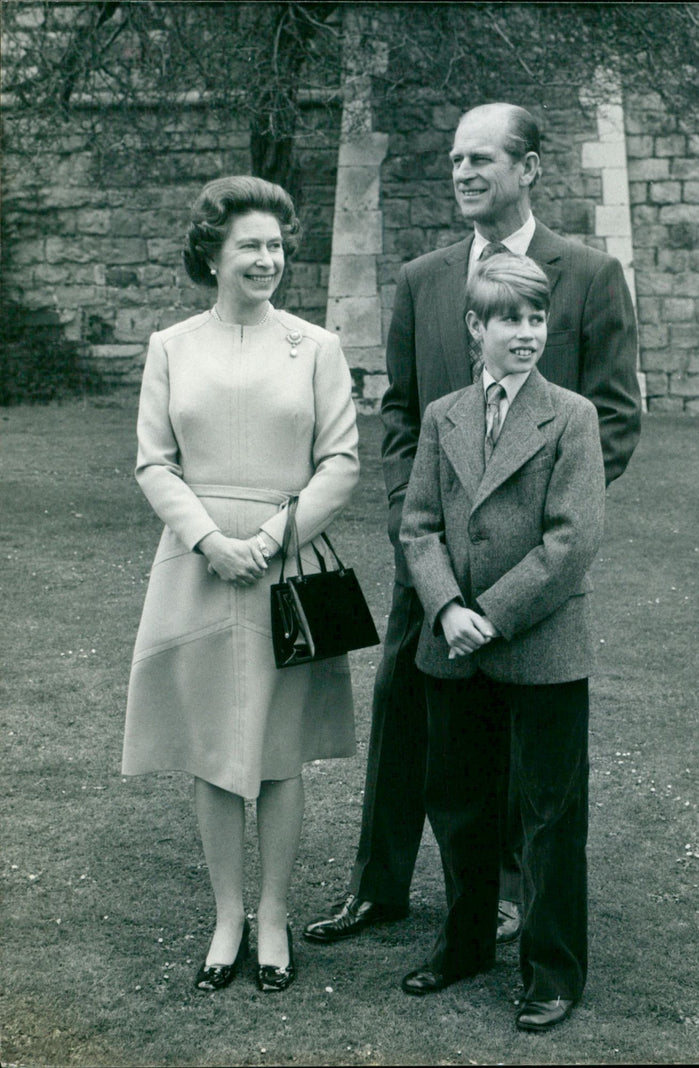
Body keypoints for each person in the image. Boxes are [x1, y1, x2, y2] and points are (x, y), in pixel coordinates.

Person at [304, 101, 640, 947]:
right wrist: (414, 536)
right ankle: (377, 887)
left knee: (523, 743)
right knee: (402, 714)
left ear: (530, 167)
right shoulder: (424, 280)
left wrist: (538, 530)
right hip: (432, 566)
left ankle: (508, 894)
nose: (462, 173)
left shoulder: (590, 276)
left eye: (482, 158)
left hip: (530, 573)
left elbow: (614, 420)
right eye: (456, 159)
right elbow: (401, 415)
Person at [121, 176, 360, 994]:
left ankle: (276, 915)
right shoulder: (171, 346)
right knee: (211, 747)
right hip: (195, 567)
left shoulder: (315, 346)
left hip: (281, 568)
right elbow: (155, 460)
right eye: (250, 245)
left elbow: (341, 463)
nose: (268, 259)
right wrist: (208, 541)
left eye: (276, 245)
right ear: (213, 256)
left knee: (278, 752)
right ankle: (228, 916)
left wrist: (265, 538)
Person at [398, 252, 605, 1032]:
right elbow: (418, 523)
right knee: (459, 804)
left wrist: (490, 610)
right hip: (455, 646)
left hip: (540, 645)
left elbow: (571, 539)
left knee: (548, 814)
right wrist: (448, 608)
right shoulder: (443, 414)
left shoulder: (572, 417)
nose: (526, 334)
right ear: (475, 327)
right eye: (508, 319)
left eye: (536, 318)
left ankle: (552, 969)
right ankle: (465, 944)